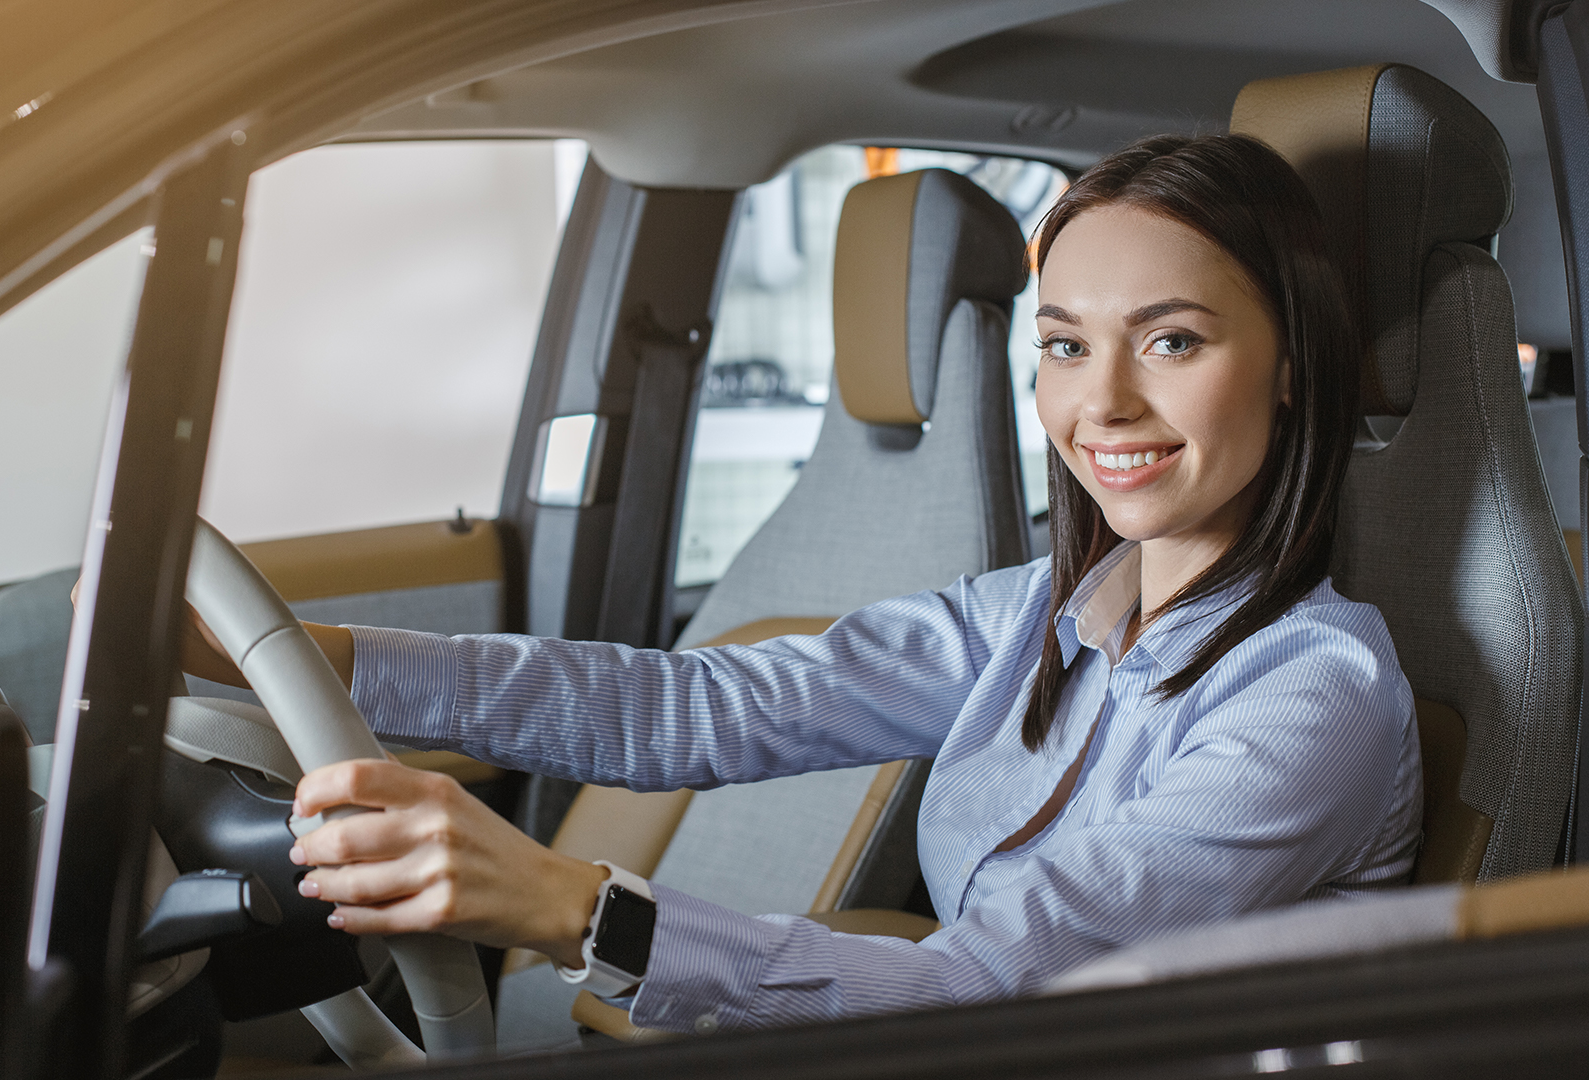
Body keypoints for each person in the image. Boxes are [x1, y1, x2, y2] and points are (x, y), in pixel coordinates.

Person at [186, 133, 1421, 1034]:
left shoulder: (1316, 698)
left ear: (1292, 364)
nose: (1099, 404)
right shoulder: (1030, 617)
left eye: (1172, 340)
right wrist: (312, 659)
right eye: (1062, 345)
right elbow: (698, 708)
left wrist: (573, 906)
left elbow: (987, 988)